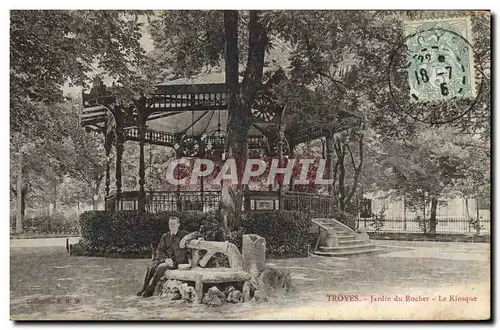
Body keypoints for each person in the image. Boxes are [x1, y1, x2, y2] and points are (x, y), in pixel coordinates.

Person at [137, 216, 188, 297]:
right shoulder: (165, 236)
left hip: (176, 260)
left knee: (161, 267)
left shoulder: (183, 234)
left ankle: (151, 289)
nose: (172, 226)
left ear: (178, 225)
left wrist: (185, 239)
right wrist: (166, 259)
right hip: (165, 258)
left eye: (174, 224)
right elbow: (160, 250)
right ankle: (144, 287)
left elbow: (196, 234)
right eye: (170, 224)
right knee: (151, 267)